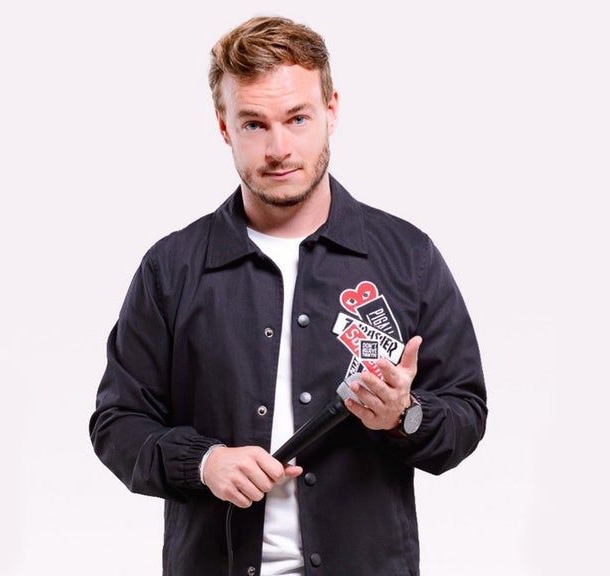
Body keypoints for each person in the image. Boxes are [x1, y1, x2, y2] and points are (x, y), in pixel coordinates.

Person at [89, 15, 487, 576]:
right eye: (254, 124)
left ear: (331, 111)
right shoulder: (171, 268)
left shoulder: (407, 256)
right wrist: (203, 463)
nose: (279, 148)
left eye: (298, 118)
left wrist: (404, 416)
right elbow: (117, 423)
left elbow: (466, 415)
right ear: (224, 127)